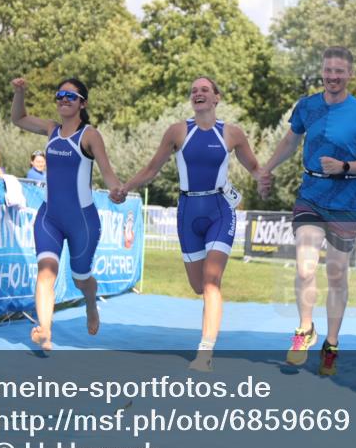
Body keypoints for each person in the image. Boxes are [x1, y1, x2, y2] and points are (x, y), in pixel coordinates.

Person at [110, 77, 261, 371]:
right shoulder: (177, 131)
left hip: (220, 209)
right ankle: (207, 332)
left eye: (204, 90)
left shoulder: (232, 134)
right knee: (197, 286)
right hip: (188, 211)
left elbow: (254, 167)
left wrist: (265, 178)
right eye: (194, 90)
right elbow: (152, 168)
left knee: (211, 281)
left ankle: (205, 352)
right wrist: (126, 186)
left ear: (216, 98)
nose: (198, 93)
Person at [259, 46, 356, 375]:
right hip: (311, 194)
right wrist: (265, 169)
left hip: (346, 199)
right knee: (304, 267)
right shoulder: (307, 106)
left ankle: (332, 343)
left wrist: (344, 165)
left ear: (349, 75)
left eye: (339, 71)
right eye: (328, 70)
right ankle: (304, 330)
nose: (332, 76)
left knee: (337, 273)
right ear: (322, 71)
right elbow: (289, 142)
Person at [11, 76, 122, 351]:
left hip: (82, 221)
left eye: (70, 96)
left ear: (82, 103)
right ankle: (45, 330)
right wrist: (19, 92)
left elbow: (107, 171)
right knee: (45, 272)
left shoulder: (90, 135)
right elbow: (19, 118)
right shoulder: (50, 129)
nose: (63, 99)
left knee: (80, 280)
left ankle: (91, 304)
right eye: (59, 94)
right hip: (49, 217)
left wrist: (116, 189)